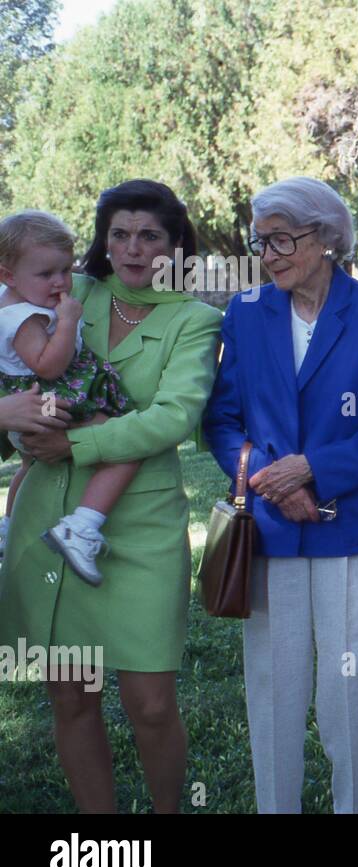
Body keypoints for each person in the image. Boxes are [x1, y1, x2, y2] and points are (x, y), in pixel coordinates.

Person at [0, 179, 222, 813]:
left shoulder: (197, 320)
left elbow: (172, 418)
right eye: (119, 234)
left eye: (149, 235)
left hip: (142, 523)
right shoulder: (66, 291)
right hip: (48, 517)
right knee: (72, 696)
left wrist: (76, 443)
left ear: (176, 243)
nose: (132, 248)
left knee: (151, 705)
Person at [203, 177, 358, 814]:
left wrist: (312, 470)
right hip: (269, 533)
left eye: (281, 239)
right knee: (273, 689)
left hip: (355, 531)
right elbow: (222, 422)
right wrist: (273, 480)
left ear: (326, 238)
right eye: (260, 241)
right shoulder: (245, 312)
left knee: (347, 695)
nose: (268, 255)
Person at [0, 211, 137, 582]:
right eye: (46, 274)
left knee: (28, 466)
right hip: (48, 401)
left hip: (31, 403)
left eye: (66, 269)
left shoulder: (12, 298)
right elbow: (48, 366)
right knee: (122, 439)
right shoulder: (23, 318)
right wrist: (69, 321)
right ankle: (82, 527)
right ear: (8, 275)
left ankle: (8, 528)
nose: (61, 283)